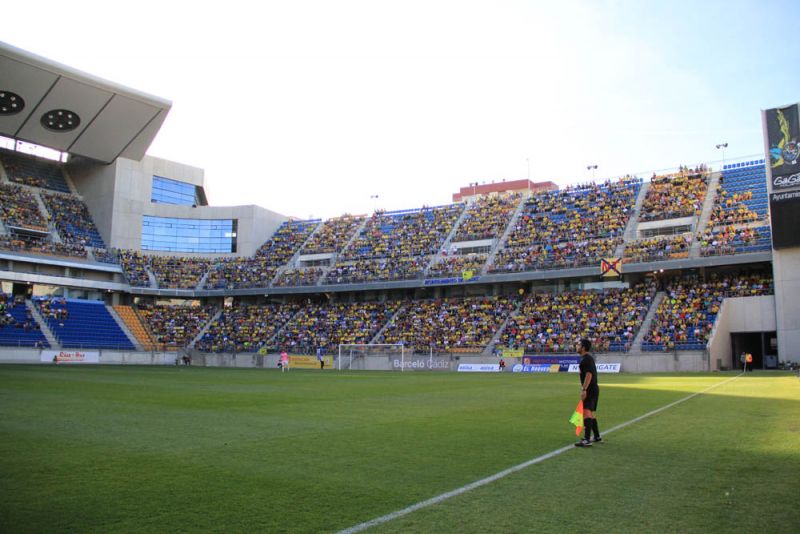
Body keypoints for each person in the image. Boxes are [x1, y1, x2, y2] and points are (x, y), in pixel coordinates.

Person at [575, 338, 601, 447]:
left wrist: (584, 389)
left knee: (586, 412)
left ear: (583, 348)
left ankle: (586, 439)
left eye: (578, 344)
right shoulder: (587, 359)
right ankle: (596, 436)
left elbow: (589, 375)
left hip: (590, 389)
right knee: (590, 412)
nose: (576, 346)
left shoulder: (586, 360)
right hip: (594, 388)